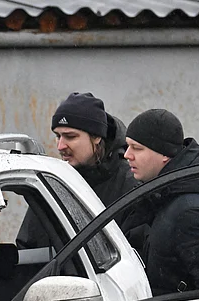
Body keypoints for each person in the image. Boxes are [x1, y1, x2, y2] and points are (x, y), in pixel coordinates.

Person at [123, 108, 199, 296]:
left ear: (164, 154)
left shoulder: (191, 214)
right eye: (128, 146)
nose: (127, 155)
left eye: (137, 148)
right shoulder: (168, 197)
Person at [16, 92, 137, 249]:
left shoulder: (130, 186)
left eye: (70, 136)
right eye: (58, 136)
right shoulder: (55, 183)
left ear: (97, 137)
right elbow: (28, 247)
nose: (60, 146)